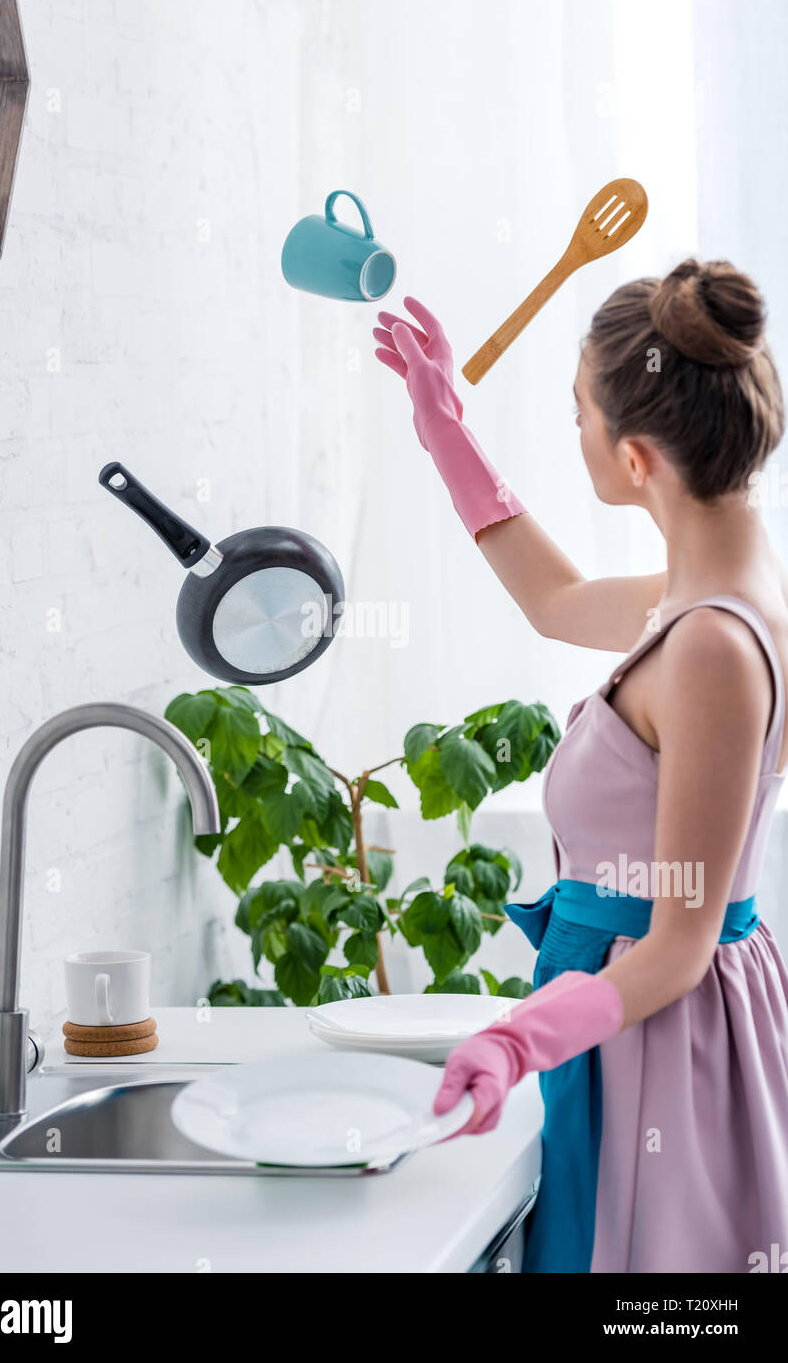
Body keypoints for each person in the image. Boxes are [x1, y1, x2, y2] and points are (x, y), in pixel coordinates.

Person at [374, 264, 788, 1273]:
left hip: (659, 1033)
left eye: (577, 415)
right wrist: (445, 432)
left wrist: (519, 1038)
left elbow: (678, 940)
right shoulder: (707, 598)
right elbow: (555, 601)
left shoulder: (710, 649)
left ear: (637, 458)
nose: (575, 431)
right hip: (642, 1024)